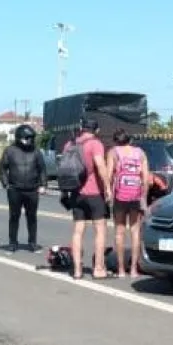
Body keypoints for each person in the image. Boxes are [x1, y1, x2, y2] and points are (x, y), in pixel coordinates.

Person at [61, 119, 112, 280]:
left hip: (76, 193)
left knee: (77, 231)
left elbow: (64, 170)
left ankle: (77, 270)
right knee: (100, 230)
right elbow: (100, 166)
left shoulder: (70, 145)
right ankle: (98, 269)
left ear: (82, 128)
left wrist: (64, 193)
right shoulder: (95, 144)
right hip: (94, 193)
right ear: (96, 130)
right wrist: (108, 187)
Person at [105, 129, 152, 277]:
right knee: (135, 231)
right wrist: (143, 196)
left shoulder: (113, 152)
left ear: (115, 141)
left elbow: (108, 175)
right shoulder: (140, 153)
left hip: (120, 196)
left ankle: (120, 270)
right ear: (129, 140)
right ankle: (133, 269)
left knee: (119, 231)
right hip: (136, 195)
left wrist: (108, 192)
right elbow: (145, 178)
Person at [0, 124, 47, 253]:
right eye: (27, 138)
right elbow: (3, 168)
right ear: (19, 137)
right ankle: (13, 243)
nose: (30, 140)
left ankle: (32, 243)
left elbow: (42, 169)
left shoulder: (36, 151)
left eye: (31, 138)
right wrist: (5, 183)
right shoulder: (10, 151)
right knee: (14, 216)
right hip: (15, 189)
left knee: (32, 217)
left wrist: (43, 185)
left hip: (32, 189)